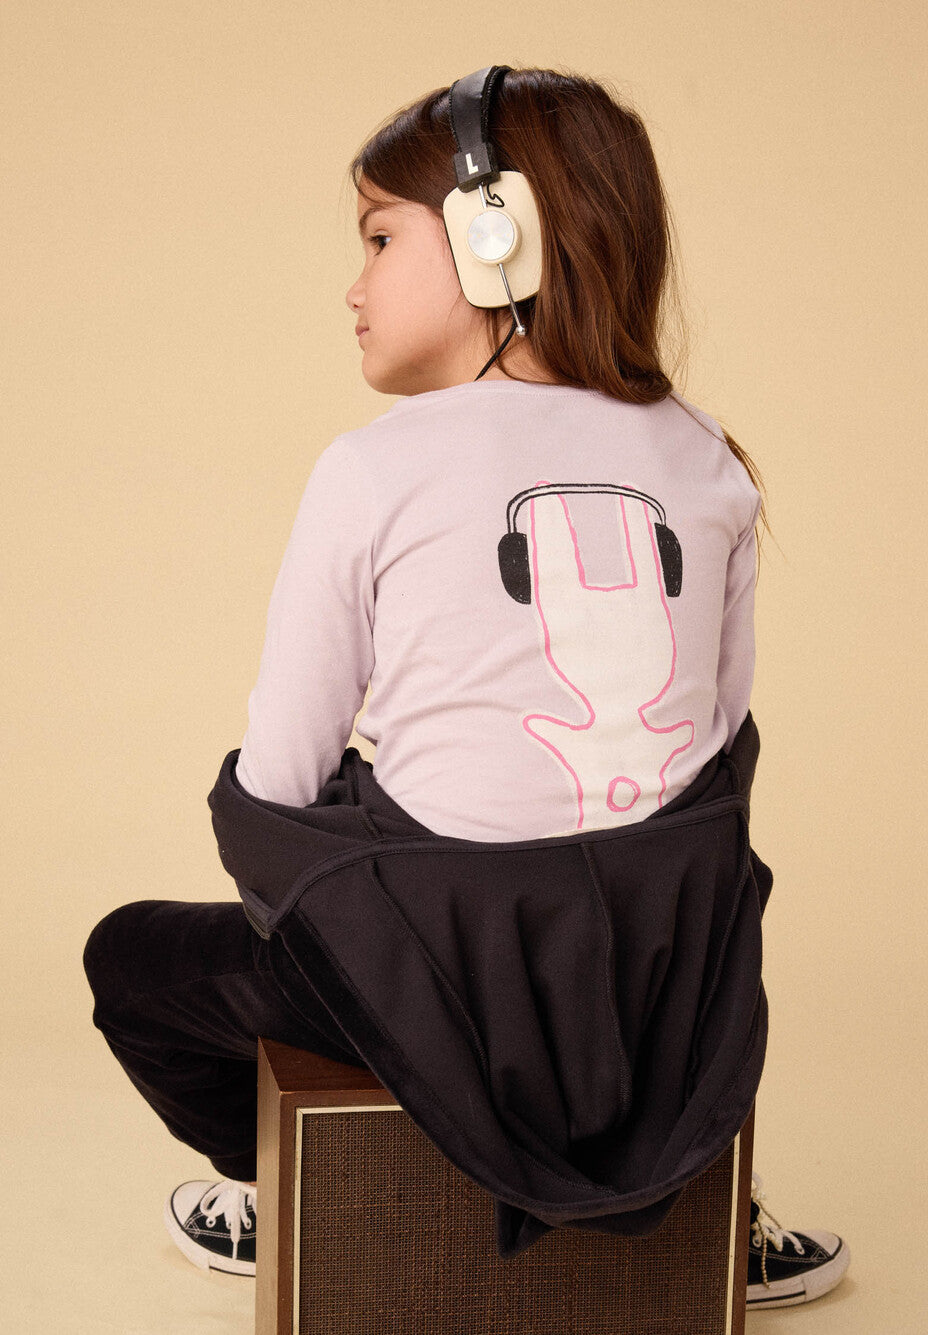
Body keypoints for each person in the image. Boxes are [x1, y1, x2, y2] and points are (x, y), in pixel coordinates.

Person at [83, 64, 849, 1309]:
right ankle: (714, 1205)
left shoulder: (371, 469)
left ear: (498, 235)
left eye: (379, 238)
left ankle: (281, 1186)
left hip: (440, 989)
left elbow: (276, 786)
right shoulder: (709, 456)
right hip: (657, 1009)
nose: (354, 285)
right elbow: (712, 758)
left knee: (131, 958)